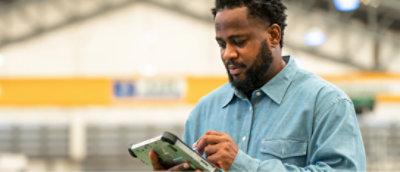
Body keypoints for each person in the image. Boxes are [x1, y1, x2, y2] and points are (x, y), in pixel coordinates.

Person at [150, 0, 367, 171]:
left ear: (273, 35)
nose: (228, 54)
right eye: (222, 44)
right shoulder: (205, 110)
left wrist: (243, 166)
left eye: (240, 42)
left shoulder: (326, 104)